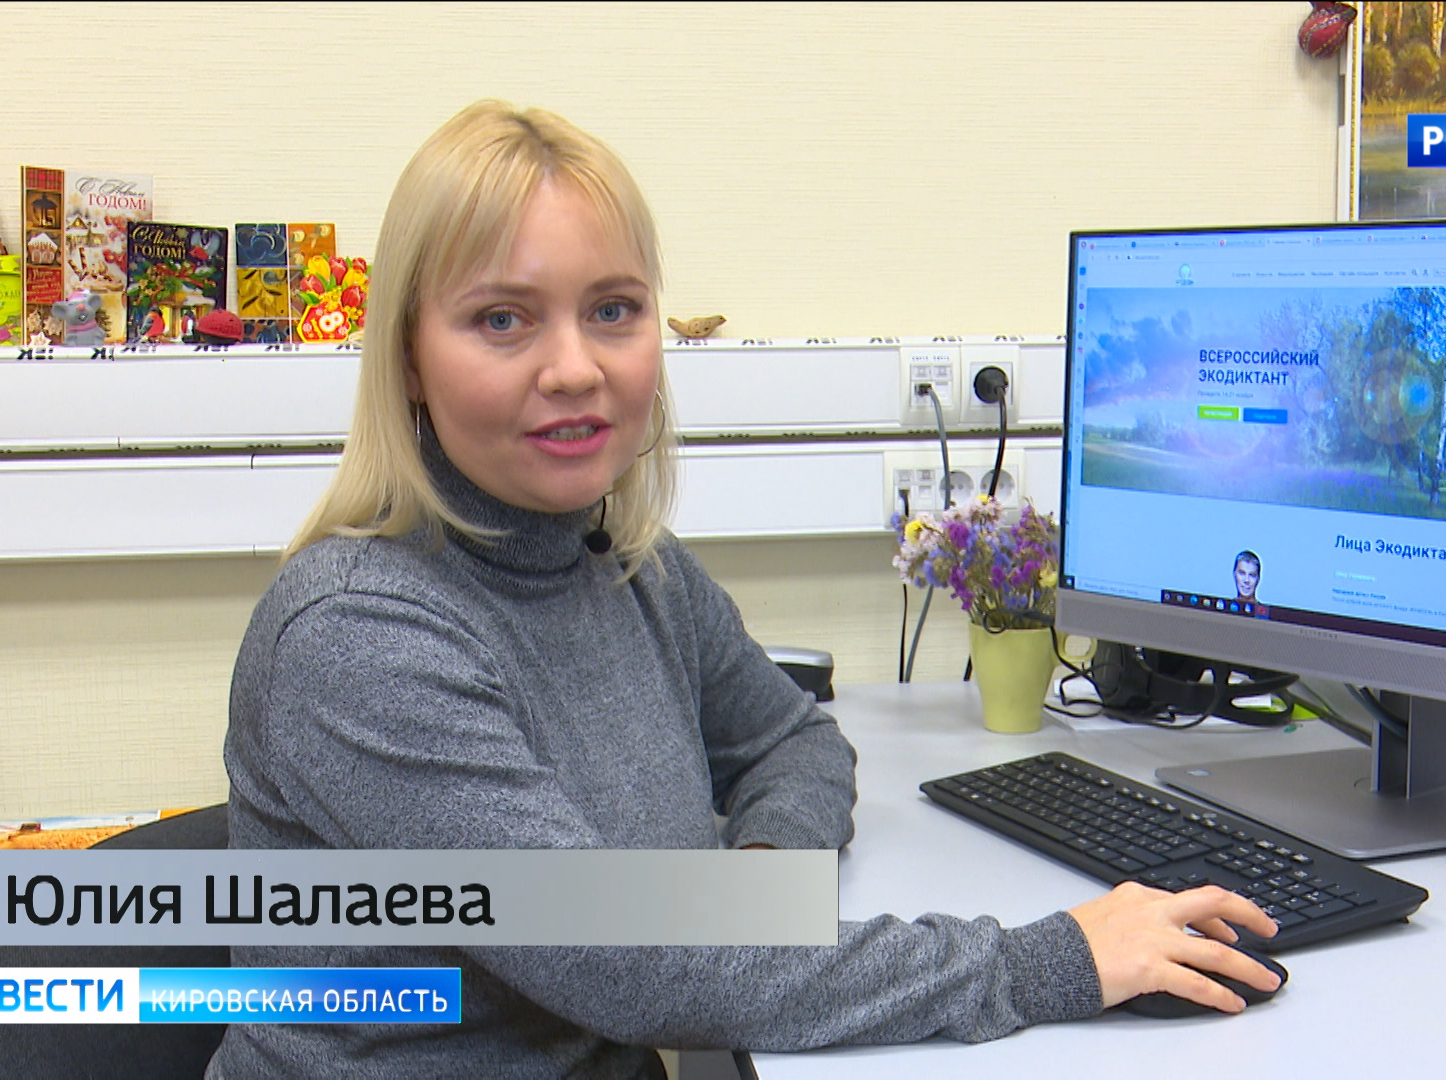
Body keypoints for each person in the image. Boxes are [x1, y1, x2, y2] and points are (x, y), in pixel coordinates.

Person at [209, 101, 1279, 1078]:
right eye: (502, 319)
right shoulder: (356, 635)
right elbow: (629, 966)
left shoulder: (629, 564)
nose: (575, 368)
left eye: (613, 310)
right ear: (406, 357)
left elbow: (796, 744)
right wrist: (1049, 962)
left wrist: (755, 887)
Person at [1234, 549, 1269, 617]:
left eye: (1252, 575)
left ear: (1258, 579)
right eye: (1242, 573)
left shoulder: (1264, 615)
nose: (1247, 580)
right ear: (1234, 574)